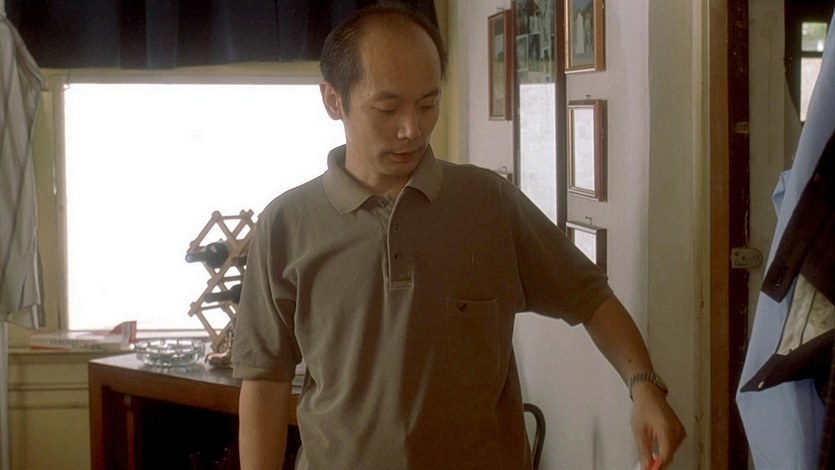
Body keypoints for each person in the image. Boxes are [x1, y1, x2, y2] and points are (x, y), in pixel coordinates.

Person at [232, 4, 685, 469]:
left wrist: (644, 386)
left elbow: (589, 297)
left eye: (428, 104)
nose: (412, 129)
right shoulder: (285, 225)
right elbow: (265, 380)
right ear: (333, 100)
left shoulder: (489, 204)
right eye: (387, 108)